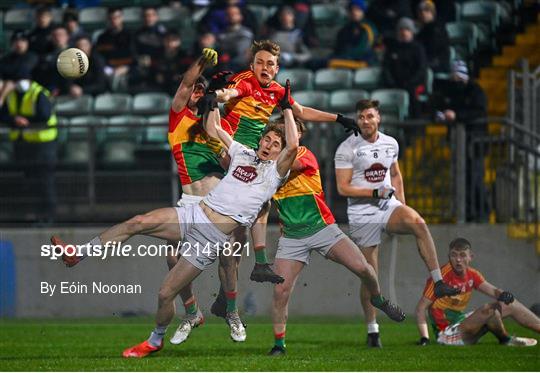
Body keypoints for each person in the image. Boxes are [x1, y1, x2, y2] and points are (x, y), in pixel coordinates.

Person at [51, 78, 299, 358]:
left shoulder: (274, 174)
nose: (268, 144)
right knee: (138, 221)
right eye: (267, 138)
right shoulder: (243, 153)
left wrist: (287, 107)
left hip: (210, 238)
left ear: (280, 152)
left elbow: (293, 145)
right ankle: (78, 254)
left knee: (165, 294)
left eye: (274, 143)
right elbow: (214, 128)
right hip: (193, 212)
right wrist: (212, 96)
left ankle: (156, 340)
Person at [53, 48, 244, 345]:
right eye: (194, 89)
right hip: (189, 204)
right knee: (166, 252)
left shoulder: (220, 127)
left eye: (201, 91)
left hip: (218, 207)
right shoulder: (178, 119)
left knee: (228, 260)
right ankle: (80, 254)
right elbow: (184, 85)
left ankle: (231, 312)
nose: (195, 93)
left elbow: (233, 164)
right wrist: (202, 63)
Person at [213, 39, 359, 284]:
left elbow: (300, 111)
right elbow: (230, 93)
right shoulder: (246, 80)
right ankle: (259, 263)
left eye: (270, 63)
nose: (264, 67)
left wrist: (339, 118)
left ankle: (228, 297)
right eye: (259, 62)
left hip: (250, 154)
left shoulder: (278, 92)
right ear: (252, 65)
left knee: (239, 239)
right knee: (261, 200)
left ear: (277, 68)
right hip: (227, 148)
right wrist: (216, 93)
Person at [269, 117, 405, 356]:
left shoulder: (303, 154)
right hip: (291, 235)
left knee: (364, 269)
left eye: (295, 131)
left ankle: (378, 298)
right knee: (280, 291)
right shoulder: (270, 163)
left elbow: (287, 165)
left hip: (322, 228)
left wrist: (257, 159)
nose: (292, 135)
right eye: (286, 131)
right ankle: (279, 344)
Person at [334, 99, 460, 348]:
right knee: (370, 275)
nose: (366, 121)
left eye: (370, 116)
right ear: (357, 120)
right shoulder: (346, 148)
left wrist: (402, 205)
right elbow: (342, 187)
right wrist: (373, 194)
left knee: (419, 223)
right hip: (362, 213)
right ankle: (373, 331)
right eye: (361, 117)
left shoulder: (391, 143)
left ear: (378, 117)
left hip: (387, 206)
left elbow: (395, 174)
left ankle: (439, 283)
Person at [416, 237, 539, 347]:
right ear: (449, 257)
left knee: (509, 303)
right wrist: (424, 338)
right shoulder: (440, 278)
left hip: (462, 323)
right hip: (446, 334)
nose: (458, 260)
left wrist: (503, 294)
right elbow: (421, 308)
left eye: (463, 255)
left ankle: (507, 339)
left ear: (471, 257)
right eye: (454, 255)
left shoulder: (472, 274)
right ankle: (506, 340)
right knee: (489, 310)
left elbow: (494, 290)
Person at [432, 60, 488, 222]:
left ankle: (481, 214)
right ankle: (468, 214)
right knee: (462, 180)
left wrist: (457, 116)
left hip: (475, 143)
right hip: (459, 143)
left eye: (458, 78)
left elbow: (479, 113)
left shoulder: (476, 91)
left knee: (475, 178)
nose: (455, 81)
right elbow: (438, 106)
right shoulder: (451, 91)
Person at [0, 70, 58, 223]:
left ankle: (48, 216)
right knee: (30, 182)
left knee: (44, 181)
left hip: (43, 145)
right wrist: (14, 119)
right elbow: (4, 114)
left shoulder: (38, 93)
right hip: (24, 145)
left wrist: (25, 120)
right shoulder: (11, 96)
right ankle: (33, 215)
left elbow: (44, 116)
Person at [382, 17, 427, 118]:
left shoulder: (418, 48)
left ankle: (413, 126)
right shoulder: (392, 48)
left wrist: (410, 82)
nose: (404, 32)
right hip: (394, 84)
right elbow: (386, 68)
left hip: (413, 84)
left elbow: (421, 69)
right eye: (401, 29)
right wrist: (391, 82)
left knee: (413, 96)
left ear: (412, 32)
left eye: (407, 29)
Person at [332, 0, 378, 67]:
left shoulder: (368, 28)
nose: (354, 12)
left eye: (358, 9)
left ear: (363, 11)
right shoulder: (344, 30)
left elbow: (362, 50)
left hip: (363, 62)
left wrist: (342, 55)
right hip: (344, 59)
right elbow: (337, 49)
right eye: (351, 9)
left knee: (329, 62)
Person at [0, 31, 39, 107]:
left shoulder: (32, 56)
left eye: (23, 41)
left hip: (26, 83)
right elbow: (2, 70)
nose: (19, 44)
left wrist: (10, 75)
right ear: (12, 43)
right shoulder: (8, 57)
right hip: (9, 83)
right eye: (16, 41)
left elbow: (23, 72)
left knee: (22, 84)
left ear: (27, 43)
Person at [415, 0, 450, 74]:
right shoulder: (421, 31)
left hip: (438, 62)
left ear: (432, 13)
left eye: (427, 10)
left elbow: (432, 49)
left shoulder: (438, 28)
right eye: (420, 11)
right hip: (427, 61)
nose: (423, 13)